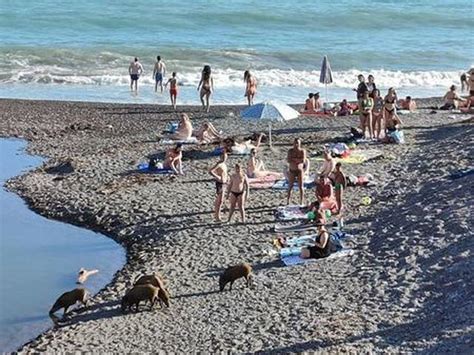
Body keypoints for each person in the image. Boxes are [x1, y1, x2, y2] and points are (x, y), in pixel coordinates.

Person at [286, 138, 307, 205]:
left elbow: (303, 161)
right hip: (292, 170)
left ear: (300, 143)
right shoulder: (290, 151)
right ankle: (288, 200)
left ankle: (301, 201)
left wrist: (294, 159)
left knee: (301, 186)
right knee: (290, 186)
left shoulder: (302, 151)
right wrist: (297, 160)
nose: (296, 144)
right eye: (295, 143)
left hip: (299, 170)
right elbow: (289, 160)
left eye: (297, 143)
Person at [209, 152, 228, 221]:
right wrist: (217, 177)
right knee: (220, 200)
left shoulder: (224, 164)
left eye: (225, 157)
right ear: (220, 157)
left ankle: (217, 214)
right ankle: (217, 216)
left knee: (220, 200)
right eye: (223, 157)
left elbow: (224, 173)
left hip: (224, 182)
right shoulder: (219, 164)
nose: (224, 158)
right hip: (220, 183)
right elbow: (210, 171)